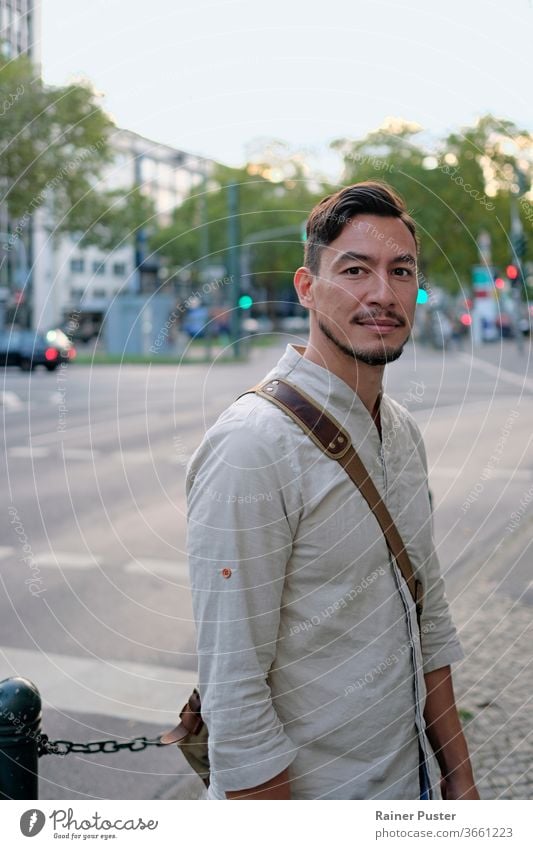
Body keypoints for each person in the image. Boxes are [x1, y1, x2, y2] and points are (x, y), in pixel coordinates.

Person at [186, 181, 479, 801]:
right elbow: (234, 694)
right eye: (355, 270)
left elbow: (429, 621)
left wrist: (461, 783)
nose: (382, 293)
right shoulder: (252, 444)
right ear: (307, 287)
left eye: (401, 271)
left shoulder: (400, 431)